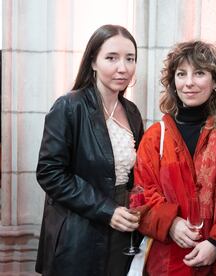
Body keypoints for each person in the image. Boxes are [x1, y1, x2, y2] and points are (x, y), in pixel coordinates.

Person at [132, 40, 216, 275]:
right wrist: (170, 223)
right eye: (181, 74)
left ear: (215, 82)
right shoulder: (155, 137)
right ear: (173, 82)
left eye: (199, 73)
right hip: (170, 262)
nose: (189, 82)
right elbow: (141, 195)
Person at [35, 24, 144, 276]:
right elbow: (49, 173)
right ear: (93, 62)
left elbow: (136, 174)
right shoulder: (69, 106)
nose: (123, 67)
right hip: (79, 228)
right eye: (111, 58)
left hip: (123, 225)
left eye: (130, 59)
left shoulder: (132, 112)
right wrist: (107, 210)